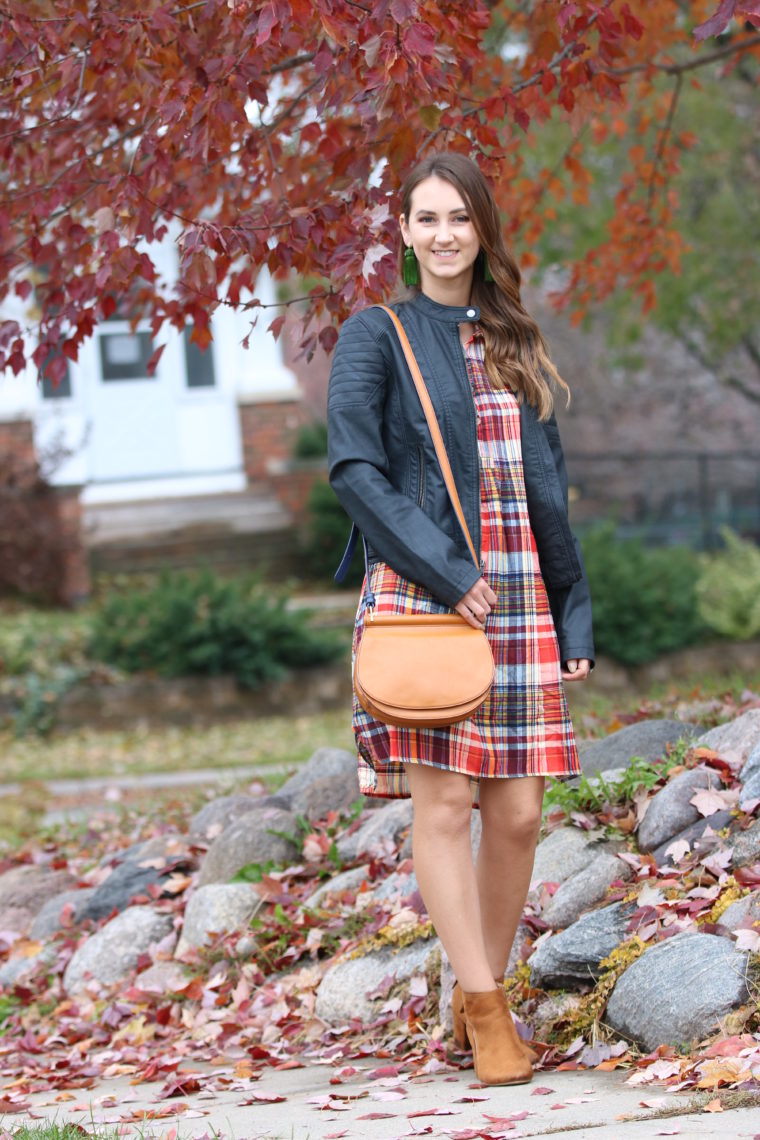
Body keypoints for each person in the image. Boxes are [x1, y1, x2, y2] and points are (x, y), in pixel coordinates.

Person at [327, 152, 594, 1086]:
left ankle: (472, 983)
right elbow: (356, 471)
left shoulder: (512, 334)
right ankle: (487, 1013)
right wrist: (446, 572)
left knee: (518, 814)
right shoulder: (377, 334)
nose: (444, 235)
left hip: (517, 592)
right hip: (425, 590)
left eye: (460, 219)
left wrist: (573, 610)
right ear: (403, 232)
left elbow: (547, 490)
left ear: (482, 230)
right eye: (427, 219)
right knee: (442, 804)